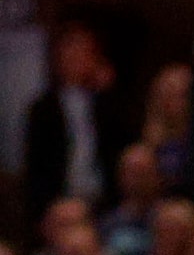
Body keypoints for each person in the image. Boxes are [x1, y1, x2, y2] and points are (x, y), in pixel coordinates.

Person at [26, 23, 122, 209]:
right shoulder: (44, 108)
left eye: (83, 52)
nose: (76, 58)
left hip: (104, 199)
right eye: (70, 51)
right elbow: (36, 166)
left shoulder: (106, 103)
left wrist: (108, 91)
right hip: (60, 202)